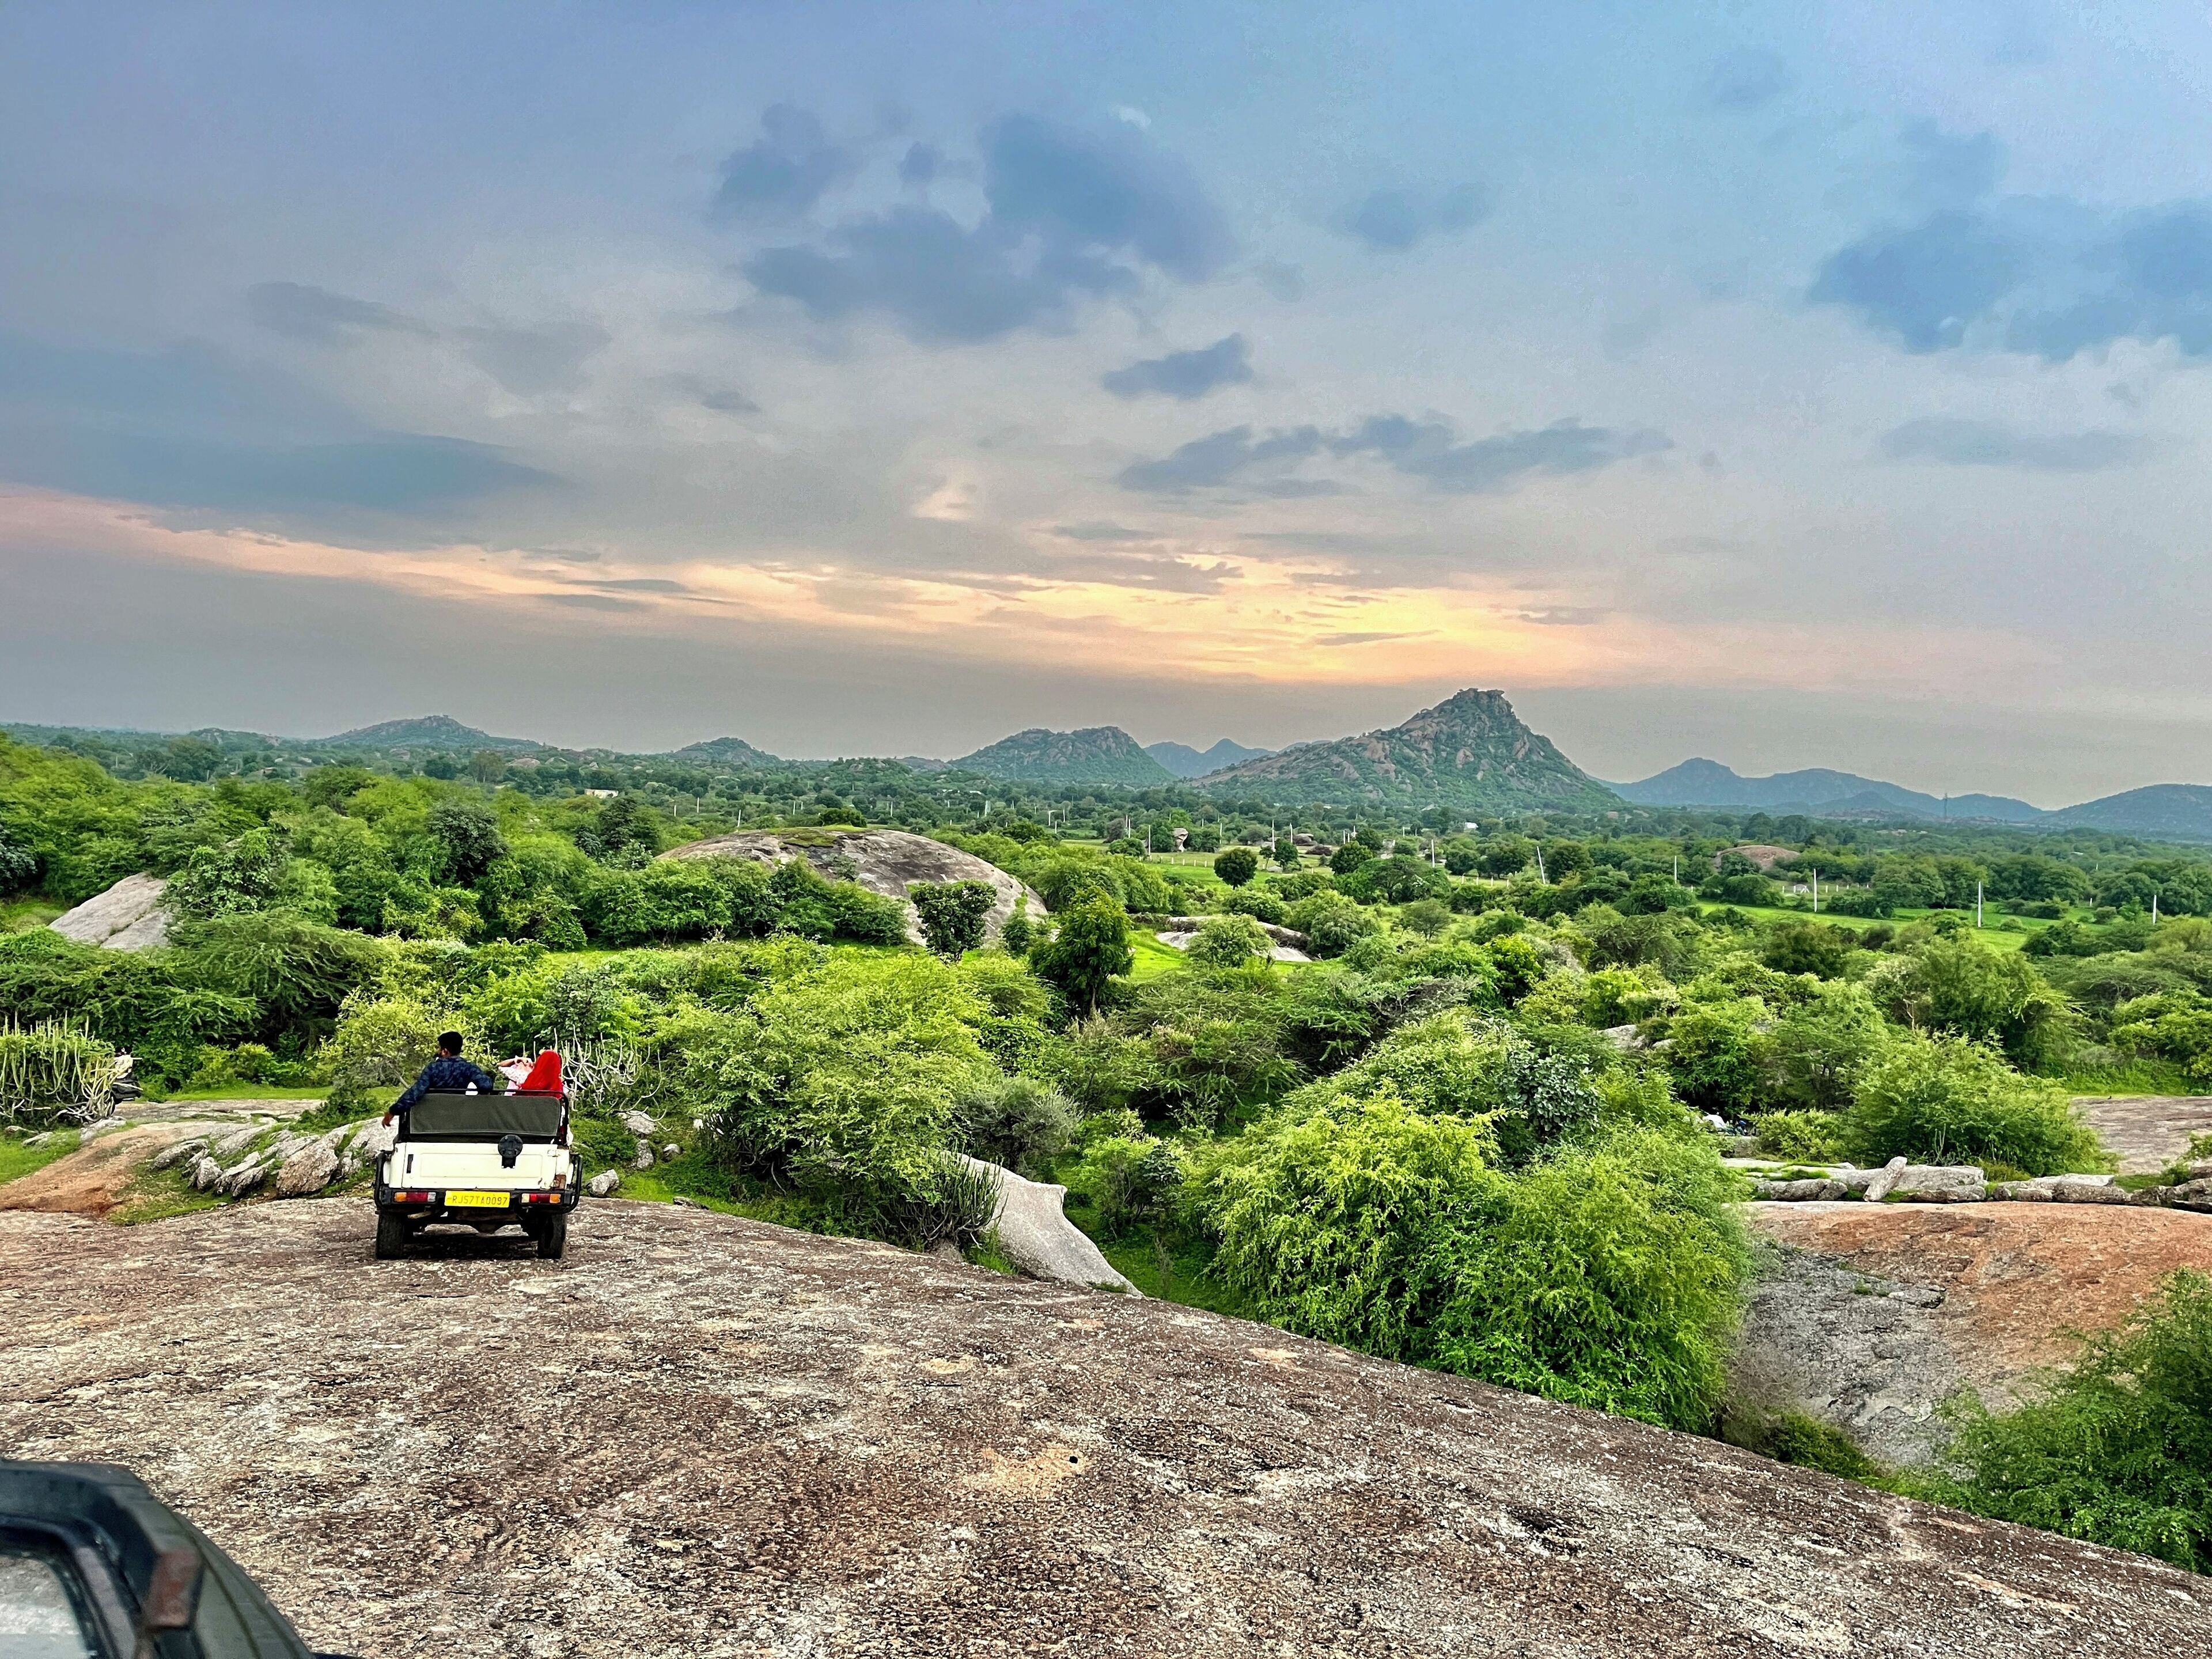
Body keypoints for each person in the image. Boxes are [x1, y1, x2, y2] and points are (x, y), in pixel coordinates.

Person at [383, 1032, 502, 1127]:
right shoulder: (469, 1068)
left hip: (432, 1119)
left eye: (439, 1048)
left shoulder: (433, 1068)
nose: (438, 1051)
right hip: (459, 1117)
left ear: (445, 1051)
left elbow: (416, 1092)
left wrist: (393, 1111)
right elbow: (486, 1085)